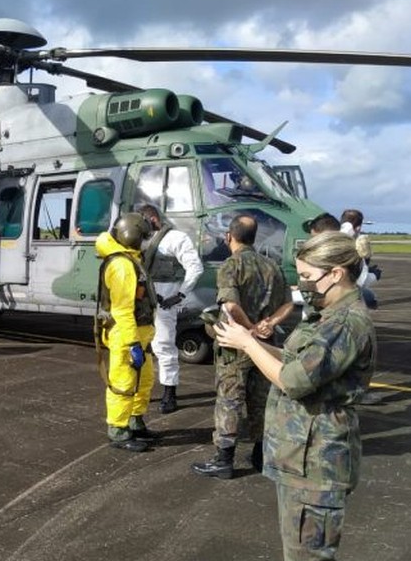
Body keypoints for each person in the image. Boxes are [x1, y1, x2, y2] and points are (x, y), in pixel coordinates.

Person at [212, 231, 376, 561]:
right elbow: (294, 359)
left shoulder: (346, 324)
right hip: (302, 451)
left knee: (312, 551)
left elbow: (295, 381)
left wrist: (247, 345)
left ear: (335, 273)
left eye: (307, 276)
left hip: (318, 457)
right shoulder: (329, 313)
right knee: (300, 546)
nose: (302, 284)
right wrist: (251, 340)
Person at [192, 214, 293, 478]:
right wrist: (267, 324)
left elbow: (231, 305)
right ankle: (261, 456)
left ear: (229, 237)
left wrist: (248, 330)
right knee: (261, 400)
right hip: (266, 346)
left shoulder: (230, 265)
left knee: (229, 400)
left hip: (236, 346)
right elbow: (288, 304)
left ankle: (224, 459)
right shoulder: (272, 266)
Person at [94, 212, 157, 452]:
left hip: (141, 332)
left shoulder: (131, 260)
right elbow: (122, 309)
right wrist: (132, 343)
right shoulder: (121, 265)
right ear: (132, 235)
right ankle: (118, 431)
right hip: (126, 333)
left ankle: (135, 422)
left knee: (144, 380)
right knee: (123, 382)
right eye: (142, 236)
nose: (143, 241)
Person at [138, 204, 204, 414]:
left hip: (165, 301)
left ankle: (169, 393)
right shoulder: (141, 239)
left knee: (164, 347)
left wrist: (179, 295)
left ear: (153, 219)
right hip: (143, 301)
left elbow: (195, 267)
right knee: (138, 346)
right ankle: (142, 391)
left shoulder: (176, 238)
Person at [340, 209, 380, 309]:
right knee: (369, 297)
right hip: (341, 294)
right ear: (358, 227)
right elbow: (360, 282)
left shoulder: (331, 237)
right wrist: (374, 275)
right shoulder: (356, 243)